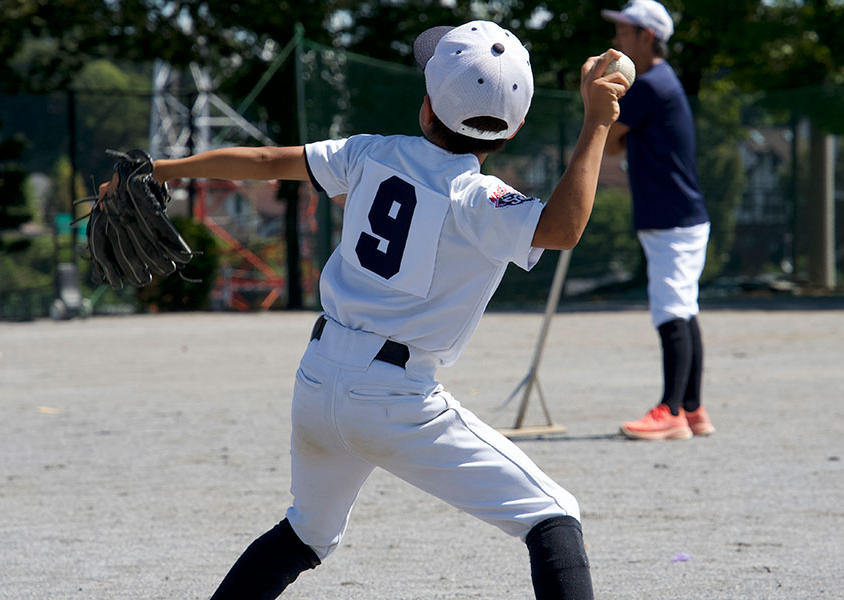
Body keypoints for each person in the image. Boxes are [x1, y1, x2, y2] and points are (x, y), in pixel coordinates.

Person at [101, 21, 628, 599]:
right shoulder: (478, 197)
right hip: (396, 399)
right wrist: (597, 122)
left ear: (426, 106)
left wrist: (160, 170)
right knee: (553, 516)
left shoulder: (369, 152)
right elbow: (563, 227)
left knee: (306, 534)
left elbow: (266, 159)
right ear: (516, 127)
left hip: (318, 376)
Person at [600, 0, 714, 441]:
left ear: (647, 37)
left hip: (671, 220)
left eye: (624, 31)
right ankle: (692, 409)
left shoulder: (650, 86)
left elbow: (607, 138)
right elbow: (614, 144)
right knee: (683, 308)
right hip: (677, 217)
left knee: (671, 310)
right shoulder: (659, 82)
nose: (616, 39)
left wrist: (598, 97)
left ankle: (671, 411)